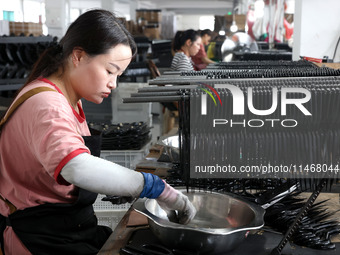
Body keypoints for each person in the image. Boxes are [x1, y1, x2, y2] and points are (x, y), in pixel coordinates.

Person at [0, 9, 196, 255]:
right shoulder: (47, 104)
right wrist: (155, 187)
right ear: (79, 56)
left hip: (68, 228)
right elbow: (76, 166)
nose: (114, 84)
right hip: (39, 240)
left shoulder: (69, 98)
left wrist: (118, 185)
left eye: (118, 75)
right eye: (110, 70)